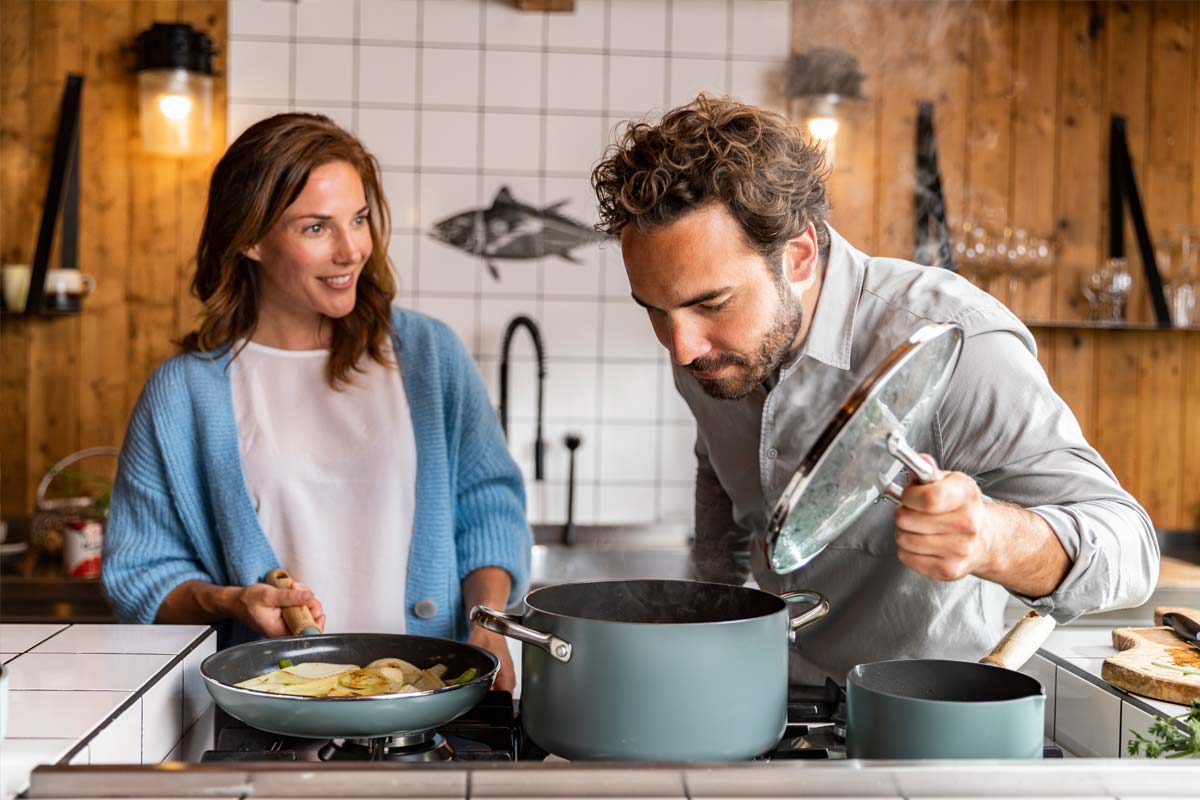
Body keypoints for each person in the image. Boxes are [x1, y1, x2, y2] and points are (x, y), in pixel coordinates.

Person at [591, 96, 1159, 683]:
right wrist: (705, 608)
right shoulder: (708, 350)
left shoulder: (956, 340)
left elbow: (1131, 548)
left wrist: (993, 537)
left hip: (926, 731)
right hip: (770, 705)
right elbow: (720, 468)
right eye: (655, 311)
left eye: (711, 303)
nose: (680, 348)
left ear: (800, 256)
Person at [102, 114, 528, 690]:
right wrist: (230, 601)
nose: (352, 249)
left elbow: (488, 508)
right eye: (315, 228)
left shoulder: (428, 355)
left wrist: (487, 626)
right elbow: (142, 575)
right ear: (250, 238)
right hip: (272, 716)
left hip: (431, 706)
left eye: (358, 219)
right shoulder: (183, 394)